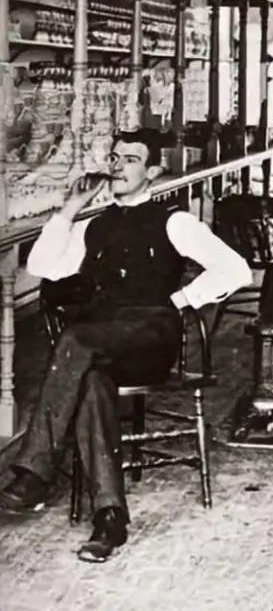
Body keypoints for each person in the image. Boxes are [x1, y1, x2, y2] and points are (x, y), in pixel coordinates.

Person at [0, 128, 252, 562]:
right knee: (92, 381)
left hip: (151, 336)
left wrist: (180, 300)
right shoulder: (94, 226)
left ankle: (33, 471)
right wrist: (71, 208)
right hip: (101, 343)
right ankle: (111, 518)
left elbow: (236, 270)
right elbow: (42, 266)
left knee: (77, 341)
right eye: (114, 157)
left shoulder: (174, 221)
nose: (117, 166)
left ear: (152, 171)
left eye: (130, 159)